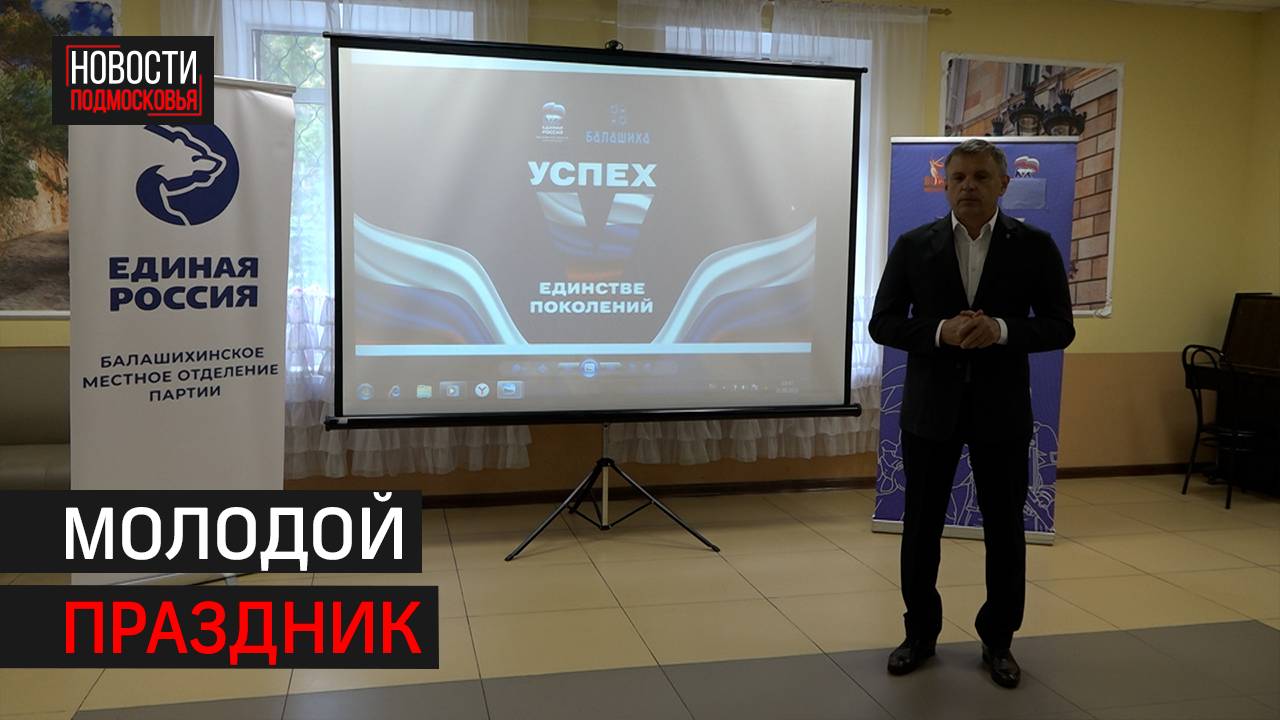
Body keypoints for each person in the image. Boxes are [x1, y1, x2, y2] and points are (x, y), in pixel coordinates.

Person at [868, 139, 1075, 688]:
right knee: (921, 528)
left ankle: (998, 641)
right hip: (929, 411)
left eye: (981, 177)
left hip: (1001, 411)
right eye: (958, 177)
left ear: (1003, 184)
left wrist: (1001, 330)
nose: (968, 186)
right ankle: (919, 634)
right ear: (945, 185)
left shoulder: (1035, 246)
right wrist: (942, 331)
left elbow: (1060, 326)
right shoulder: (915, 245)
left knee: (1005, 532)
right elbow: (882, 323)